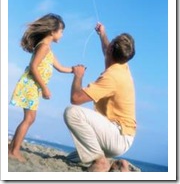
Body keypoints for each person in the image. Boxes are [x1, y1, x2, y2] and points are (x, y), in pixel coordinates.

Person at [64, 22, 136, 172]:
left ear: (111, 50)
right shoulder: (122, 65)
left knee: (71, 112)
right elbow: (107, 49)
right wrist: (102, 34)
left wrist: (78, 76)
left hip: (117, 136)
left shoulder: (112, 76)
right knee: (70, 159)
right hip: (117, 135)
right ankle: (114, 165)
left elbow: (76, 98)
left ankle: (101, 162)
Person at [9, 13, 74, 162]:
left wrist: (74, 69)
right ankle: (14, 151)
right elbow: (33, 67)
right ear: (52, 31)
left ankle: (12, 147)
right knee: (29, 118)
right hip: (31, 85)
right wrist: (45, 88)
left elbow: (60, 67)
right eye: (61, 31)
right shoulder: (44, 47)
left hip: (34, 86)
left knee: (30, 118)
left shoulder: (48, 49)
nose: (62, 35)